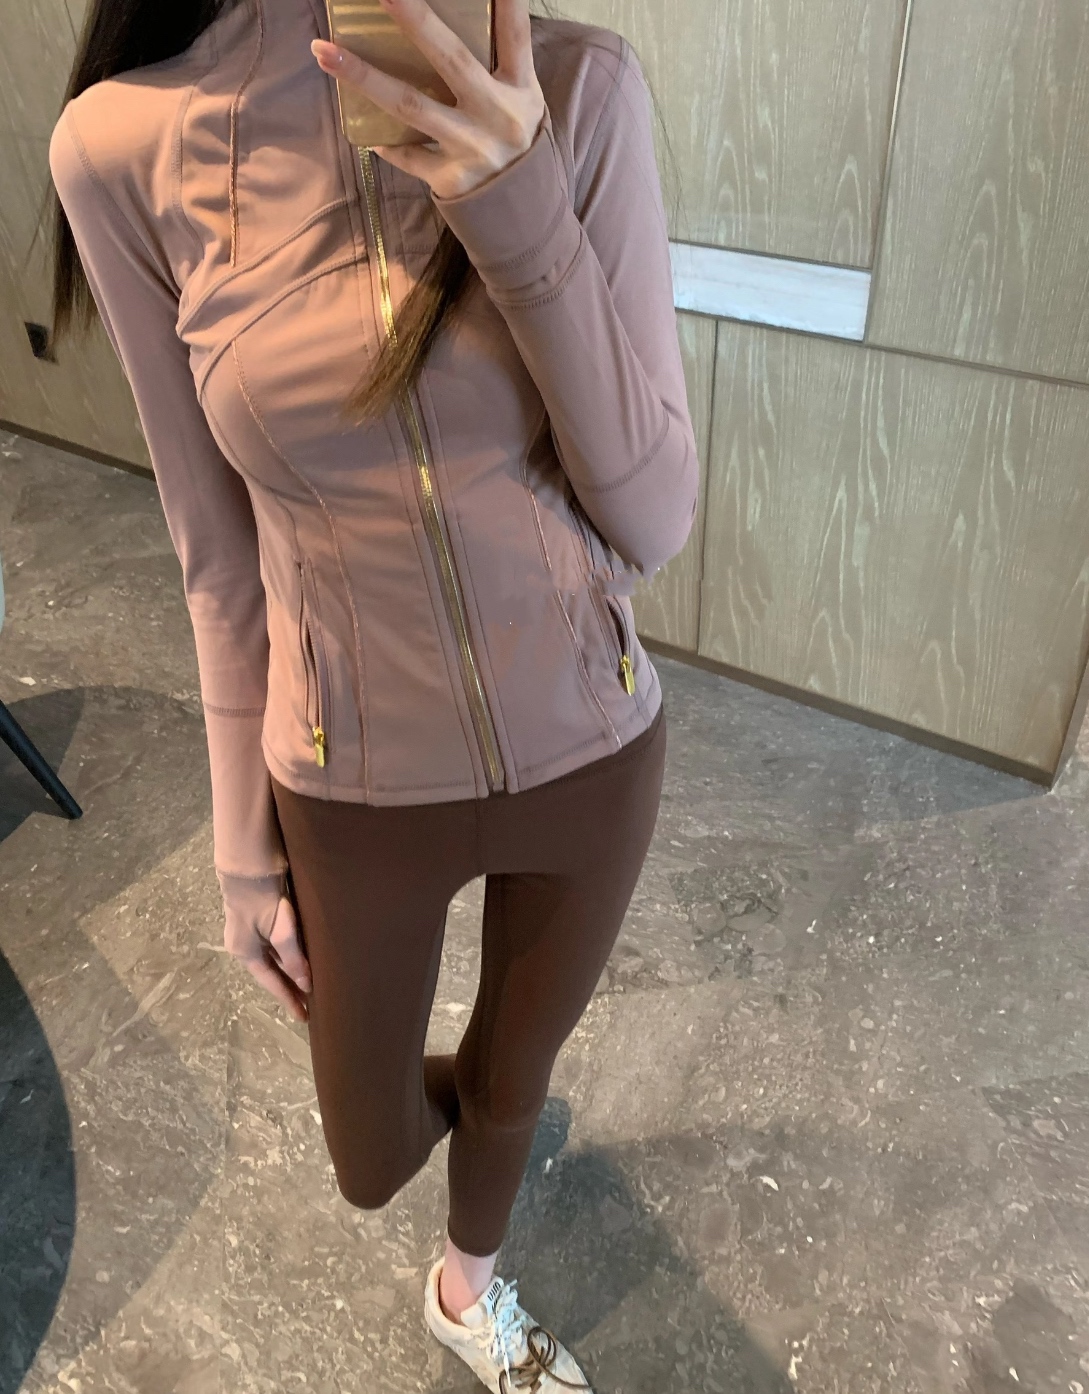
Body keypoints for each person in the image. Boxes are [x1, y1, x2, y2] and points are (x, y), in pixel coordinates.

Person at [49, 0, 699, 1386]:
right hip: (352, 787)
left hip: (590, 746)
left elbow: (651, 520)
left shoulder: (576, 86)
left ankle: (468, 1288)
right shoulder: (121, 144)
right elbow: (214, 551)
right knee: (367, 1152)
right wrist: (242, 852)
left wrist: (515, 198)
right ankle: (493, 1117)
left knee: (512, 1080)